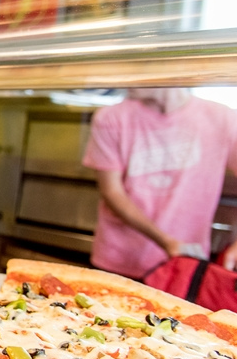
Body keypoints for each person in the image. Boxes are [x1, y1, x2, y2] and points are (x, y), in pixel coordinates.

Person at [81, 87, 237, 279]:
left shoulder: (222, 118)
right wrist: (166, 241)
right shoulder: (110, 118)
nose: (127, 80)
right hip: (119, 258)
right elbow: (112, 192)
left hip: (185, 264)